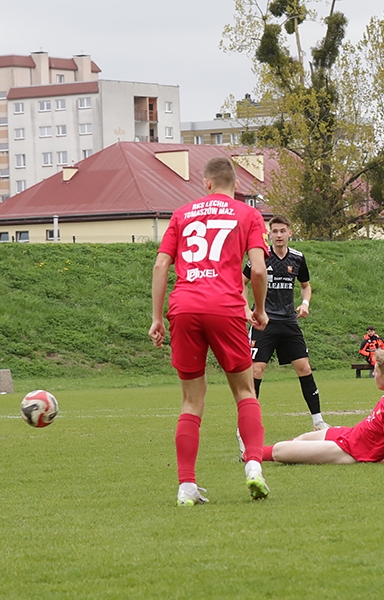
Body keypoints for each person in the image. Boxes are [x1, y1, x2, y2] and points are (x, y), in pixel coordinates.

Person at [150, 156, 271, 506]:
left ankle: (186, 486)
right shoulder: (248, 214)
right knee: (245, 393)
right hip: (226, 307)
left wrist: (158, 318)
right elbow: (259, 271)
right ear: (235, 185)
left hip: (184, 307)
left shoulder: (181, 214)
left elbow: (161, 265)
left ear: (206, 183)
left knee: (191, 401)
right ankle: (252, 467)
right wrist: (259, 310)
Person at [242, 215, 329, 430]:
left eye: (282, 231)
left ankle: (318, 421)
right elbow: (241, 283)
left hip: (289, 321)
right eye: (275, 231)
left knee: (304, 367)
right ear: (269, 234)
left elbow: (305, 285)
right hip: (264, 321)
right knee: (256, 370)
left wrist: (305, 303)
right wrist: (245, 309)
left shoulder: (298, 258)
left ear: (290, 233)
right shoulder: (259, 256)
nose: (279, 235)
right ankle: (247, 424)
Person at [261, 349, 384, 467]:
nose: (373, 375)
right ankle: (251, 454)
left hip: (351, 451)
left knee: (279, 451)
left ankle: (251, 456)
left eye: (375, 371)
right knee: (302, 438)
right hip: (351, 434)